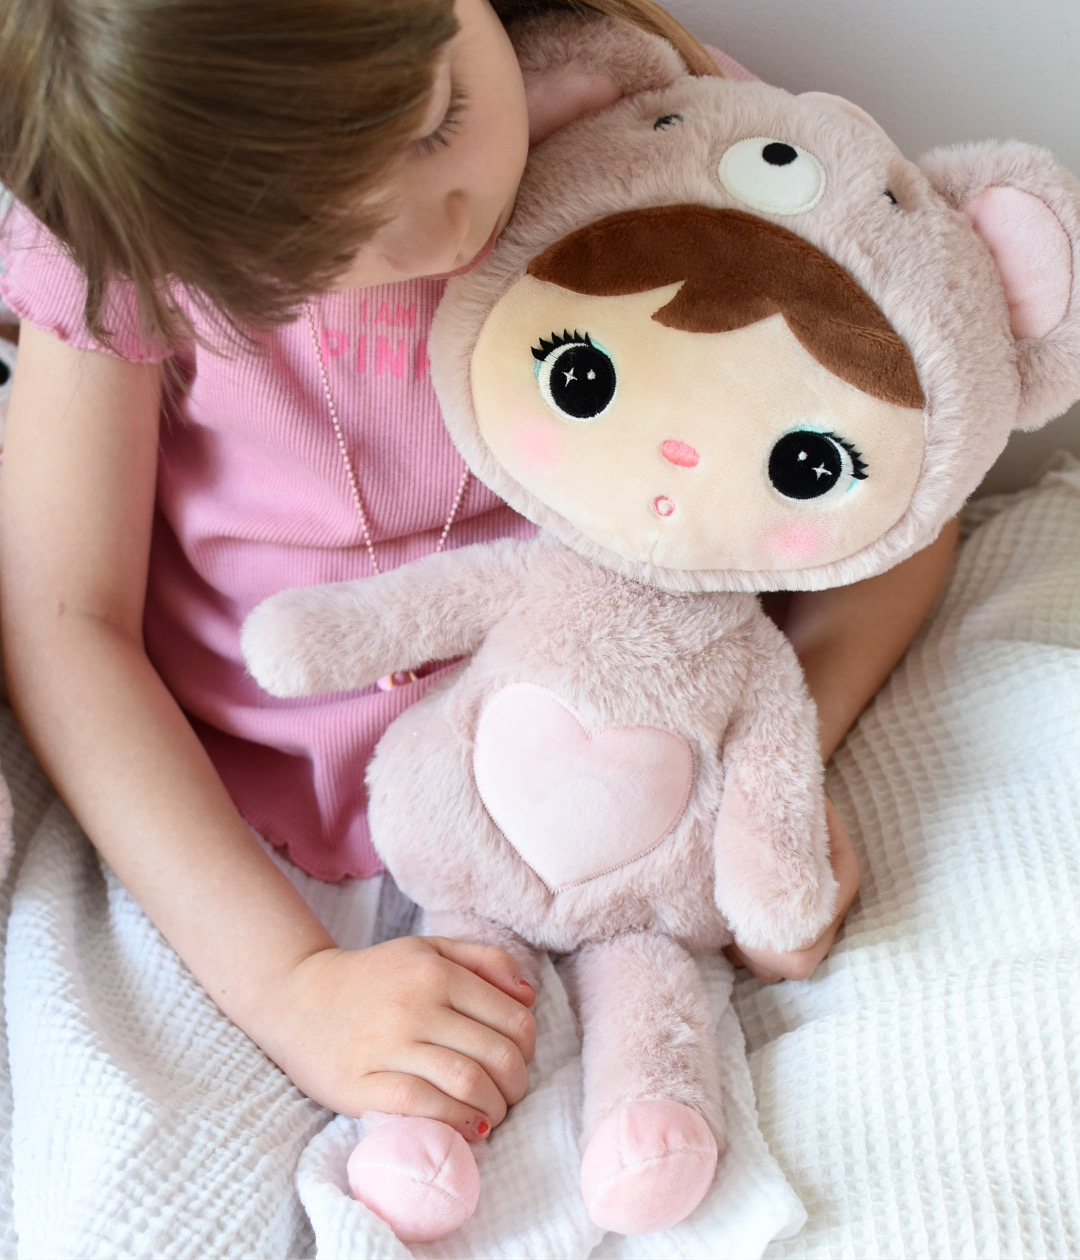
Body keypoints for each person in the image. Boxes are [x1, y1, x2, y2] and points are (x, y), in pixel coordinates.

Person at [0, 0, 957, 1147]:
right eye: (311, 249)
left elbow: (907, 491)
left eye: (440, 120)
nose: (442, 226)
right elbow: (64, 621)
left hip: (618, 779)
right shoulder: (128, 217)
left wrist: (786, 765)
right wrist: (292, 987)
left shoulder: (667, 122)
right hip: (256, 802)